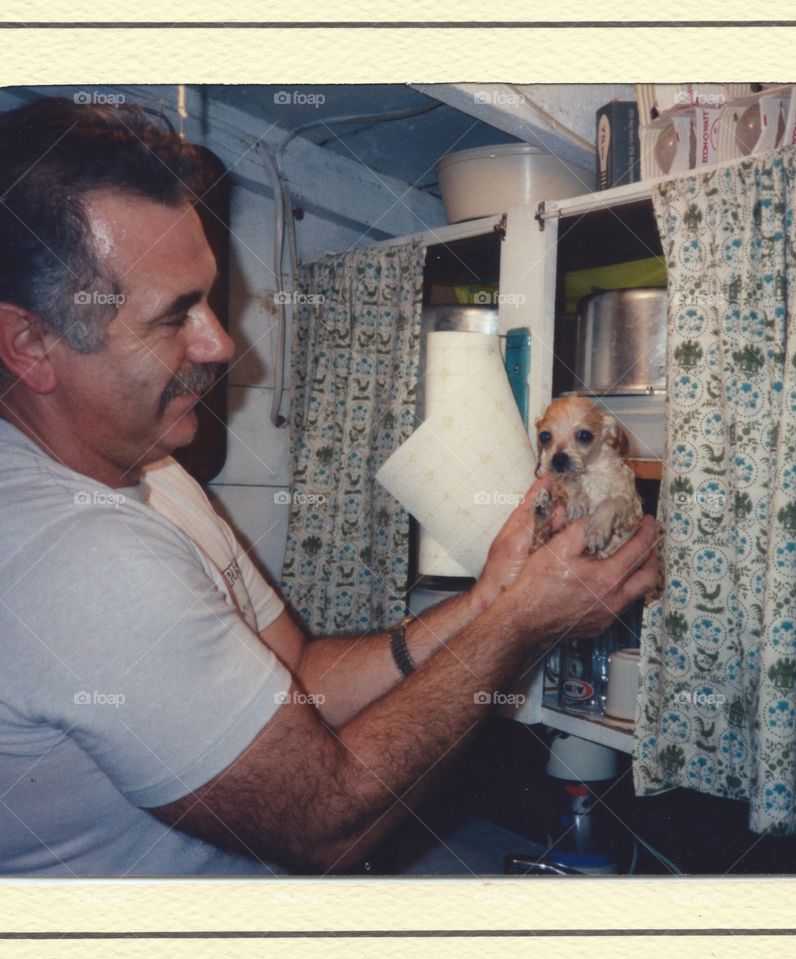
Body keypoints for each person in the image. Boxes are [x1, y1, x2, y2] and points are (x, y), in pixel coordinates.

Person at [0, 96, 660, 876]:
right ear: (29, 345)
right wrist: (521, 625)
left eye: (209, 297)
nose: (221, 342)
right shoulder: (71, 552)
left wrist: (488, 600)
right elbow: (323, 821)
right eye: (174, 316)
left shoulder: (157, 471)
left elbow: (300, 675)